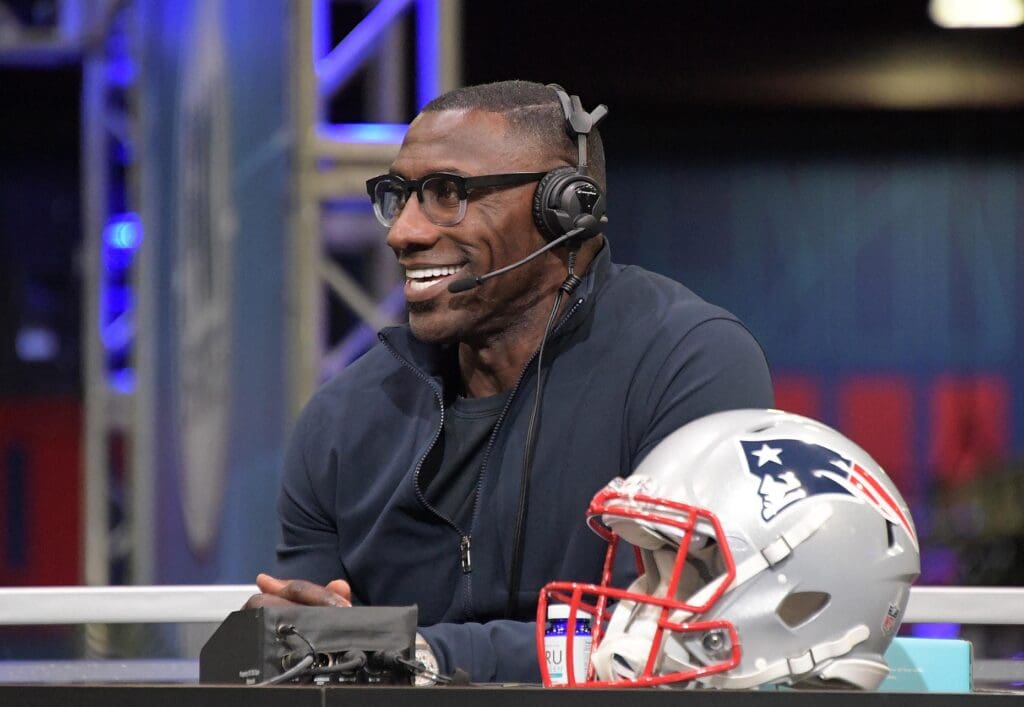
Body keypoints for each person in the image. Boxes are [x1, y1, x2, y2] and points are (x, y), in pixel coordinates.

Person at [247, 80, 775, 683]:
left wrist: (425, 653)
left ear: (564, 208)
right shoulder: (341, 421)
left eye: (448, 194)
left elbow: (679, 634)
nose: (403, 234)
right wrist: (281, 639)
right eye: (400, 196)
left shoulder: (688, 363)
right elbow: (316, 658)